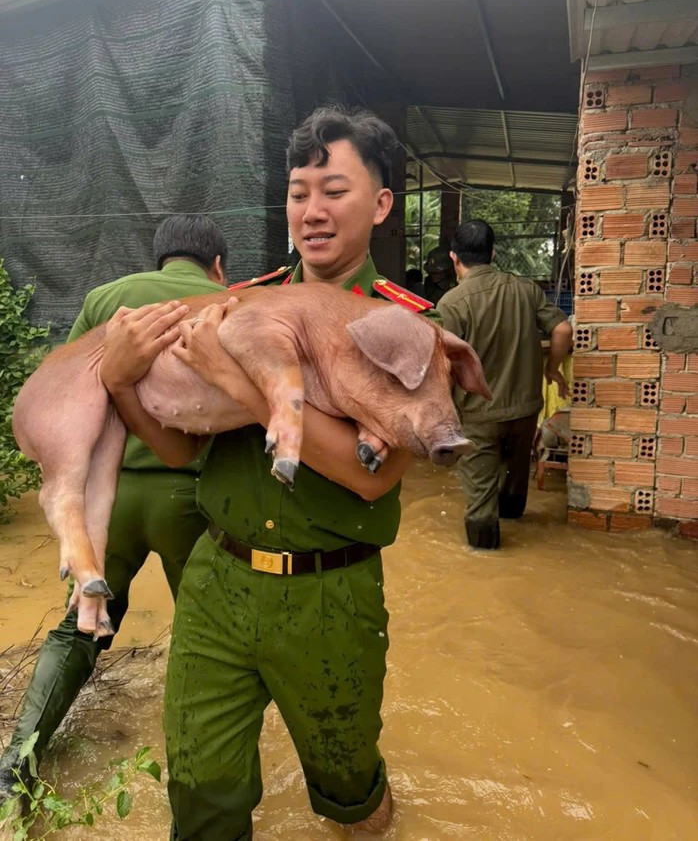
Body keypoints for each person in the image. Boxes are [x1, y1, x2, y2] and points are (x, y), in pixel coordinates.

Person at [98, 105, 440, 839]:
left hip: (330, 597)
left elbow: (372, 477)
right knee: (200, 789)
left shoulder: (406, 327)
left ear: (381, 204)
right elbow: (182, 453)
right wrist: (122, 383)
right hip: (216, 580)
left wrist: (245, 384)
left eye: (335, 190)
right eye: (297, 191)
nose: (312, 211)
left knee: (350, 793)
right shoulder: (234, 307)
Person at [0, 215, 228, 800]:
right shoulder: (228, 302)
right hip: (191, 499)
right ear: (217, 265)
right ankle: (200, 780)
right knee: (210, 638)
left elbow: (67, 387)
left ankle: (18, 762)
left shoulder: (107, 301)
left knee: (81, 622)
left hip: (112, 499)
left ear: (160, 259)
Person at [436, 219, 572, 550]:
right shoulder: (526, 289)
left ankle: (486, 560)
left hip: (479, 415)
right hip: (525, 410)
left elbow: (442, 364)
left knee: (481, 504)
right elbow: (563, 329)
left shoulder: (452, 303)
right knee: (513, 482)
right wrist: (552, 369)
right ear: (493, 253)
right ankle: (515, 540)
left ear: (454, 257)